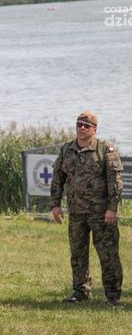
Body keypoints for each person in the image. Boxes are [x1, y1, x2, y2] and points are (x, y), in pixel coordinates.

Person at [50, 111, 123, 307]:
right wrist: (55, 204)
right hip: (76, 213)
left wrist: (112, 209)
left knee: (108, 255)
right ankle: (81, 291)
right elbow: (58, 177)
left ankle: (113, 295)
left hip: (101, 214)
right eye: (79, 124)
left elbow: (115, 182)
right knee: (78, 254)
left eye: (86, 126)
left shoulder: (104, 150)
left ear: (94, 129)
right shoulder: (67, 149)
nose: (81, 128)